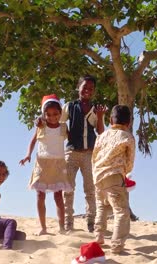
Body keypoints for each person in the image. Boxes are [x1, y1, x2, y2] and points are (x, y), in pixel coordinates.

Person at [58, 75, 106, 232]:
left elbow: (100, 131)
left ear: (94, 91)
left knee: (90, 189)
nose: (87, 91)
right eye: (84, 87)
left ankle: (91, 221)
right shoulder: (69, 106)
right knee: (68, 188)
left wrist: (100, 117)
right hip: (71, 152)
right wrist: (67, 134)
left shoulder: (95, 109)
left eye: (91, 89)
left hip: (89, 153)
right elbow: (60, 122)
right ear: (78, 87)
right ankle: (68, 222)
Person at [20, 94, 73, 235]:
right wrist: (28, 155)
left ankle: (62, 227)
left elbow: (72, 139)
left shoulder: (63, 127)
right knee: (40, 195)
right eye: (48, 114)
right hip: (42, 163)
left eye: (55, 114)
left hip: (58, 164)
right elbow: (33, 141)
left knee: (58, 196)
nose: (52, 117)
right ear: (43, 114)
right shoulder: (41, 126)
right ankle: (43, 227)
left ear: (60, 113)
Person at [92, 105, 135, 254]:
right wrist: (126, 173)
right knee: (121, 211)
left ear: (110, 120)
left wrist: (96, 173)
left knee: (101, 207)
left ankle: (98, 236)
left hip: (98, 176)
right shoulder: (128, 137)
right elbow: (130, 162)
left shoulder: (102, 135)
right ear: (129, 123)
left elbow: (94, 156)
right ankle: (116, 245)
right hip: (115, 177)